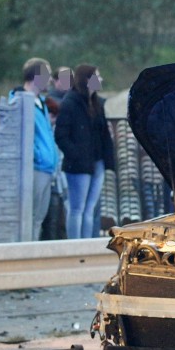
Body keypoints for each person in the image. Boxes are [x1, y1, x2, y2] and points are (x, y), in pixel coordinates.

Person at [54, 64, 115, 239]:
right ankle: (74, 247)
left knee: (89, 209)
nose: (101, 79)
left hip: (96, 162)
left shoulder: (97, 104)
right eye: (98, 76)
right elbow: (61, 135)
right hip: (78, 165)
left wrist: (107, 160)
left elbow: (104, 134)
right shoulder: (70, 103)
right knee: (77, 209)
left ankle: (86, 246)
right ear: (88, 80)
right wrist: (76, 155)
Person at [10, 58, 60, 240]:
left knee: (38, 218)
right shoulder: (20, 100)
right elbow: (21, 135)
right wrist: (38, 156)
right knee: (30, 217)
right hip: (36, 167)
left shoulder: (40, 102)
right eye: (46, 75)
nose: (49, 80)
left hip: (46, 167)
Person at [40, 96, 68, 240]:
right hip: (50, 180)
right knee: (49, 222)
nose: (53, 119)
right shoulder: (44, 132)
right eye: (52, 115)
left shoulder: (52, 131)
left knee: (57, 221)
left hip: (57, 183)